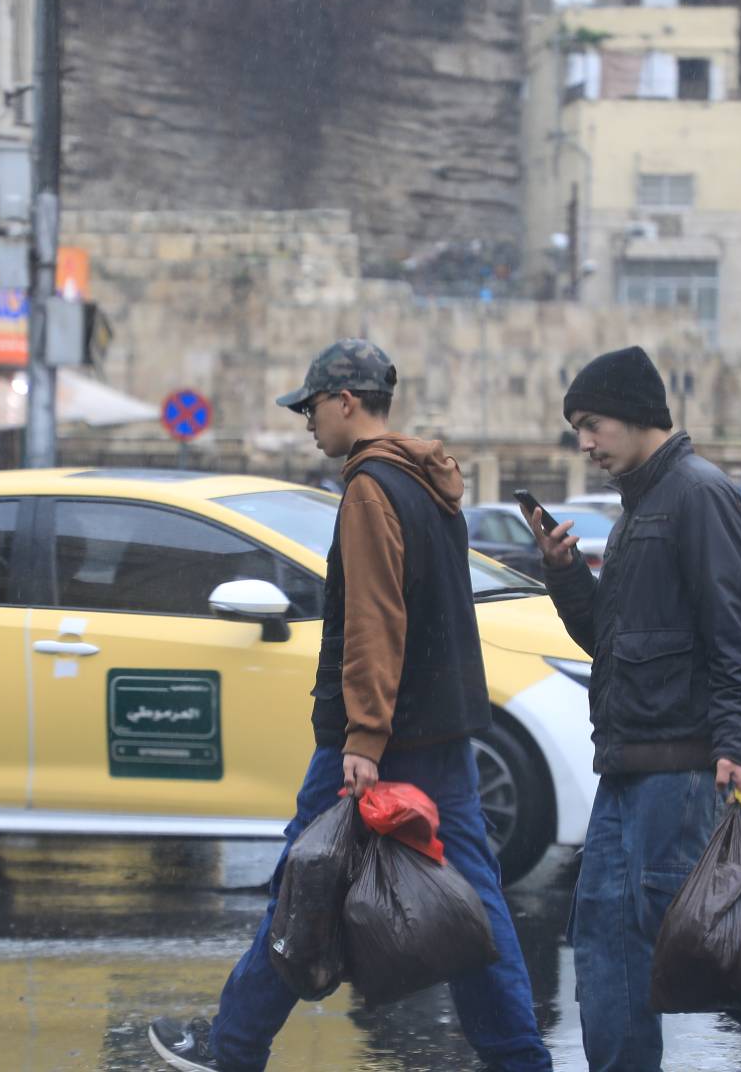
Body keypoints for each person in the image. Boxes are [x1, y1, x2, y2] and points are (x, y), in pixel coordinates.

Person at [149, 339, 552, 1072]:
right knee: (473, 905)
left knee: (304, 886)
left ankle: (232, 1047)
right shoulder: (426, 483)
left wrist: (364, 737)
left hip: (378, 737)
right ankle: (520, 1059)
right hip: (440, 730)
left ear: (345, 402)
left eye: (312, 407)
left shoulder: (371, 489)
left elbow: (374, 619)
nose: (307, 421)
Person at [518, 345, 741, 1072]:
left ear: (634, 414)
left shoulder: (699, 496)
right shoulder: (639, 508)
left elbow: (738, 637)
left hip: (681, 771)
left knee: (702, 941)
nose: (584, 443)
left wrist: (737, 748)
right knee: (605, 945)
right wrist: (564, 574)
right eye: (577, 429)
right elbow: (610, 643)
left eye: (592, 425)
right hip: (627, 769)